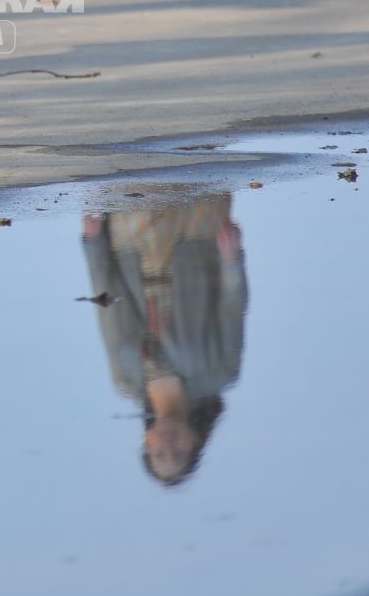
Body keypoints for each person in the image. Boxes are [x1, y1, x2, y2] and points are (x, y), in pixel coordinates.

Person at [81, 195, 247, 486]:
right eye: (178, 452)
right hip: (196, 238)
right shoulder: (220, 374)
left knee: (135, 163)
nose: (167, 446)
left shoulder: (126, 381)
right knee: (188, 155)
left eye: (158, 453)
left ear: (145, 439)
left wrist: (93, 244)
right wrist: (233, 261)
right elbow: (231, 311)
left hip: (131, 242)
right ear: (197, 440)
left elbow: (108, 312)